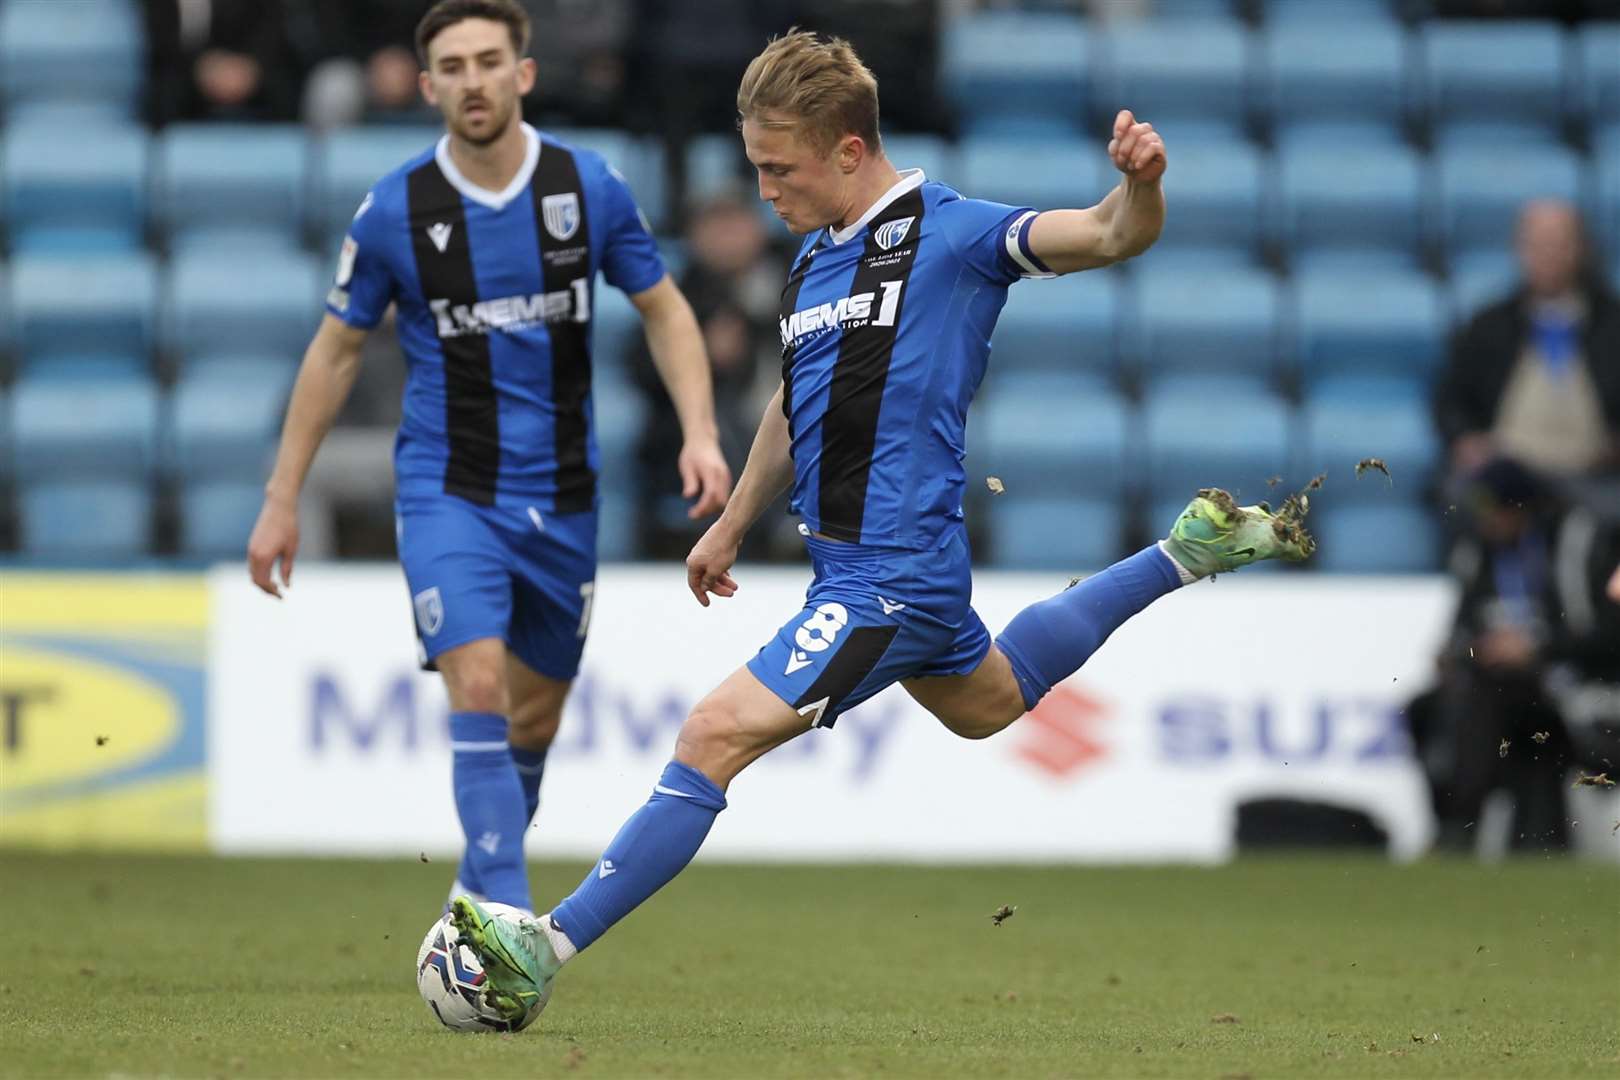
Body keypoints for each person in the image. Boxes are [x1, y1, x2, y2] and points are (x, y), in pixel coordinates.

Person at [448, 30, 1312, 1021]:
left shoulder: (953, 236)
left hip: (889, 576)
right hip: (873, 573)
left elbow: (1111, 233)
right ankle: (1184, 552)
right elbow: (792, 397)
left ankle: (539, 949)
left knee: (711, 734)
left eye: (781, 168)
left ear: (849, 151)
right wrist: (732, 522)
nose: (765, 189)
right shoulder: (813, 259)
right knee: (988, 701)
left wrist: (1143, 184)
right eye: (757, 167)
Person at [245, 0, 731, 915]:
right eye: (454, 66)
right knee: (475, 676)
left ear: (525, 73)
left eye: (488, 61)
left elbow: (665, 308)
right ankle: (506, 909)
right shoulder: (395, 209)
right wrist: (281, 497)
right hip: (448, 488)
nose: (473, 80)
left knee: (535, 718)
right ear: (428, 86)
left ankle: (475, 900)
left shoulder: (588, 188)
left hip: (565, 494)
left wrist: (701, 430)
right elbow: (334, 350)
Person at [1408, 457, 1620, 853]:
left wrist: (1538, 648)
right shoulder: (1478, 551)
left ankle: (1459, 825)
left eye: (1495, 510)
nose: (1487, 521)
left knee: (1490, 699)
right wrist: (1463, 653)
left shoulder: (1580, 542)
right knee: (1424, 708)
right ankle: (1468, 821)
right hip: (1507, 687)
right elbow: (1463, 631)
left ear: (1520, 506)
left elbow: (1609, 634)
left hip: (1580, 684)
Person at [631, 193, 781, 559]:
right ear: (694, 235)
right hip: (687, 451)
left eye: (736, 224)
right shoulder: (675, 295)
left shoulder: (797, 280)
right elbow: (639, 367)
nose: (727, 237)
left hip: (787, 444)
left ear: (758, 229)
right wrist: (701, 357)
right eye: (716, 225)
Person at [1434, 199, 1620, 482]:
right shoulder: (1489, 324)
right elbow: (1451, 397)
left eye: (1559, 243)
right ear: (1519, 249)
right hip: (1508, 471)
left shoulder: (1612, 324)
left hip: (1594, 473)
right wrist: (1466, 439)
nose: (1549, 255)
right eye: (1537, 244)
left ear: (1581, 248)